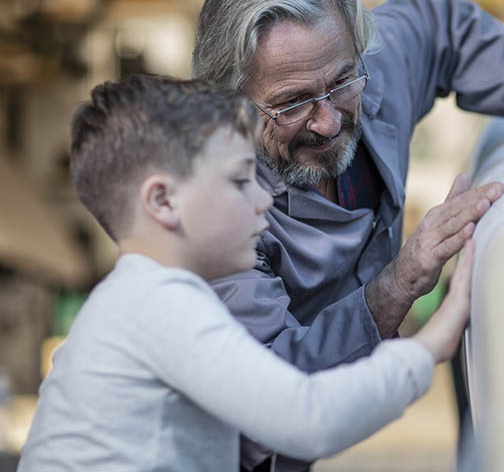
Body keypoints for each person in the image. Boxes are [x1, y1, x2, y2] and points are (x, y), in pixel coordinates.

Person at [191, 0, 504, 471]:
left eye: (341, 84)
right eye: (292, 103)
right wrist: (400, 282)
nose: (326, 122)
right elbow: (271, 400)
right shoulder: (215, 214)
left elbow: (439, 26)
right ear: (229, 104)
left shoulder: (365, 73)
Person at [17, 76, 476, 471]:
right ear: (162, 202)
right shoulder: (159, 303)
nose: (262, 202)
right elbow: (308, 418)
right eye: (239, 181)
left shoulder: (144, 298)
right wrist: (433, 342)